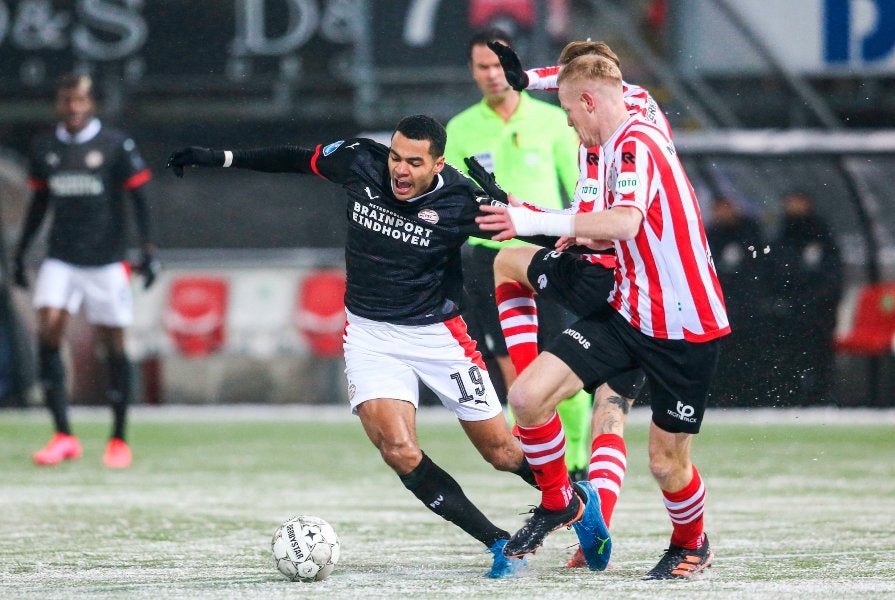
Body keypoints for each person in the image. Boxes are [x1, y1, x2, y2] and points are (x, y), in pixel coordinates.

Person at [166, 114, 606, 578]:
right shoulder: (359, 161)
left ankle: (577, 499)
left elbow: (542, 233)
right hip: (370, 335)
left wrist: (563, 229)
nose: (399, 169)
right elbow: (296, 160)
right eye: (396, 156)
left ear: (437, 164)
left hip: (437, 335)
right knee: (398, 449)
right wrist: (222, 157)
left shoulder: (460, 200)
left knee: (500, 453)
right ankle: (498, 543)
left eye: (414, 162)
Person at [475, 54, 730, 580]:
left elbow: (627, 222)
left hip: (686, 329)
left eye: (570, 114)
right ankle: (560, 500)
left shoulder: (635, 144)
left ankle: (692, 543)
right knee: (525, 397)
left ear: (589, 104)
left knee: (666, 464)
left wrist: (530, 218)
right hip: (627, 310)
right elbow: (591, 72)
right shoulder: (624, 105)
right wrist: (531, 80)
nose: (568, 124)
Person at [444, 29, 593, 483]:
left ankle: (578, 463)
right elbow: (448, 200)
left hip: (547, 253)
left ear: (513, 67)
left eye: (497, 65)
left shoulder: (552, 122)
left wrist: (585, 240)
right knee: (513, 367)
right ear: (472, 72)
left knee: (566, 358)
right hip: (488, 259)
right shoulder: (461, 129)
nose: (491, 75)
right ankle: (546, 467)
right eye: (482, 67)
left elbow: (581, 189)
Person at [12, 74, 159, 469]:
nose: (73, 108)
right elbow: (39, 204)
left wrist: (147, 250)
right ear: (58, 104)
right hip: (61, 256)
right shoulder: (45, 147)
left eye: (79, 100)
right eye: (66, 101)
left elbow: (140, 199)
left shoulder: (115, 145)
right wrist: (21, 252)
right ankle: (62, 434)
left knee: (112, 342)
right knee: (48, 326)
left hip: (107, 260)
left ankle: (118, 438)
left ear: (91, 103)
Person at [770, 191, 842, 405]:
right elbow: (772, 271)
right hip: (788, 312)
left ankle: (821, 398)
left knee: (819, 356)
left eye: (797, 202)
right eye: (789, 202)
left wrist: (817, 301)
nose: (793, 207)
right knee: (788, 357)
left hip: (818, 313)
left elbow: (833, 275)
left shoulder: (821, 235)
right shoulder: (782, 235)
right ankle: (788, 398)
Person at [705, 195, 767, 406]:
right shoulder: (710, 235)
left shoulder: (750, 233)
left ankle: (749, 396)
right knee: (722, 355)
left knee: (748, 352)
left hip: (748, 307)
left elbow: (761, 262)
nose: (722, 213)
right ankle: (721, 396)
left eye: (726, 207)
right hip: (720, 307)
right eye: (718, 209)